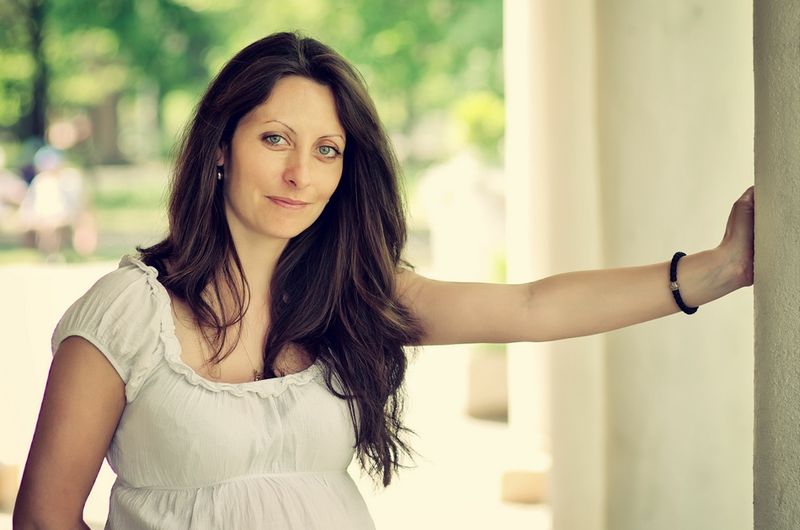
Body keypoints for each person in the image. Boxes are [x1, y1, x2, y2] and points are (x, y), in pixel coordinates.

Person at [13, 32, 754, 530]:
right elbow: (45, 517)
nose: (301, 174)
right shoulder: (126, 313)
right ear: (218, 146)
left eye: (327, 150)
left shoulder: (353, 296)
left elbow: (531, 307)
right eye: (275, 139)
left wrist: (717, 269)